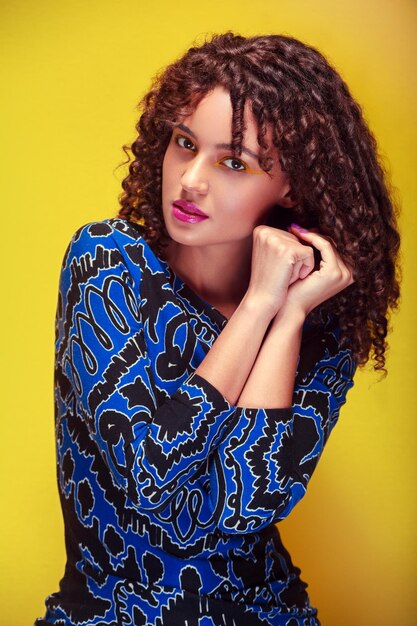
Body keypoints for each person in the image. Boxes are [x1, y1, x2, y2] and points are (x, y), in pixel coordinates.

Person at [36, 33, 400, 626]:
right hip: (114, 614)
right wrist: (259, 305)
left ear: (291, 184)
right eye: (184, 144)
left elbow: (244, 506)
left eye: (233, 162)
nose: (191, 180)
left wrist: (287, 316)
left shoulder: (320, 320)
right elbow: (152, 480)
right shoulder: (108, 264)